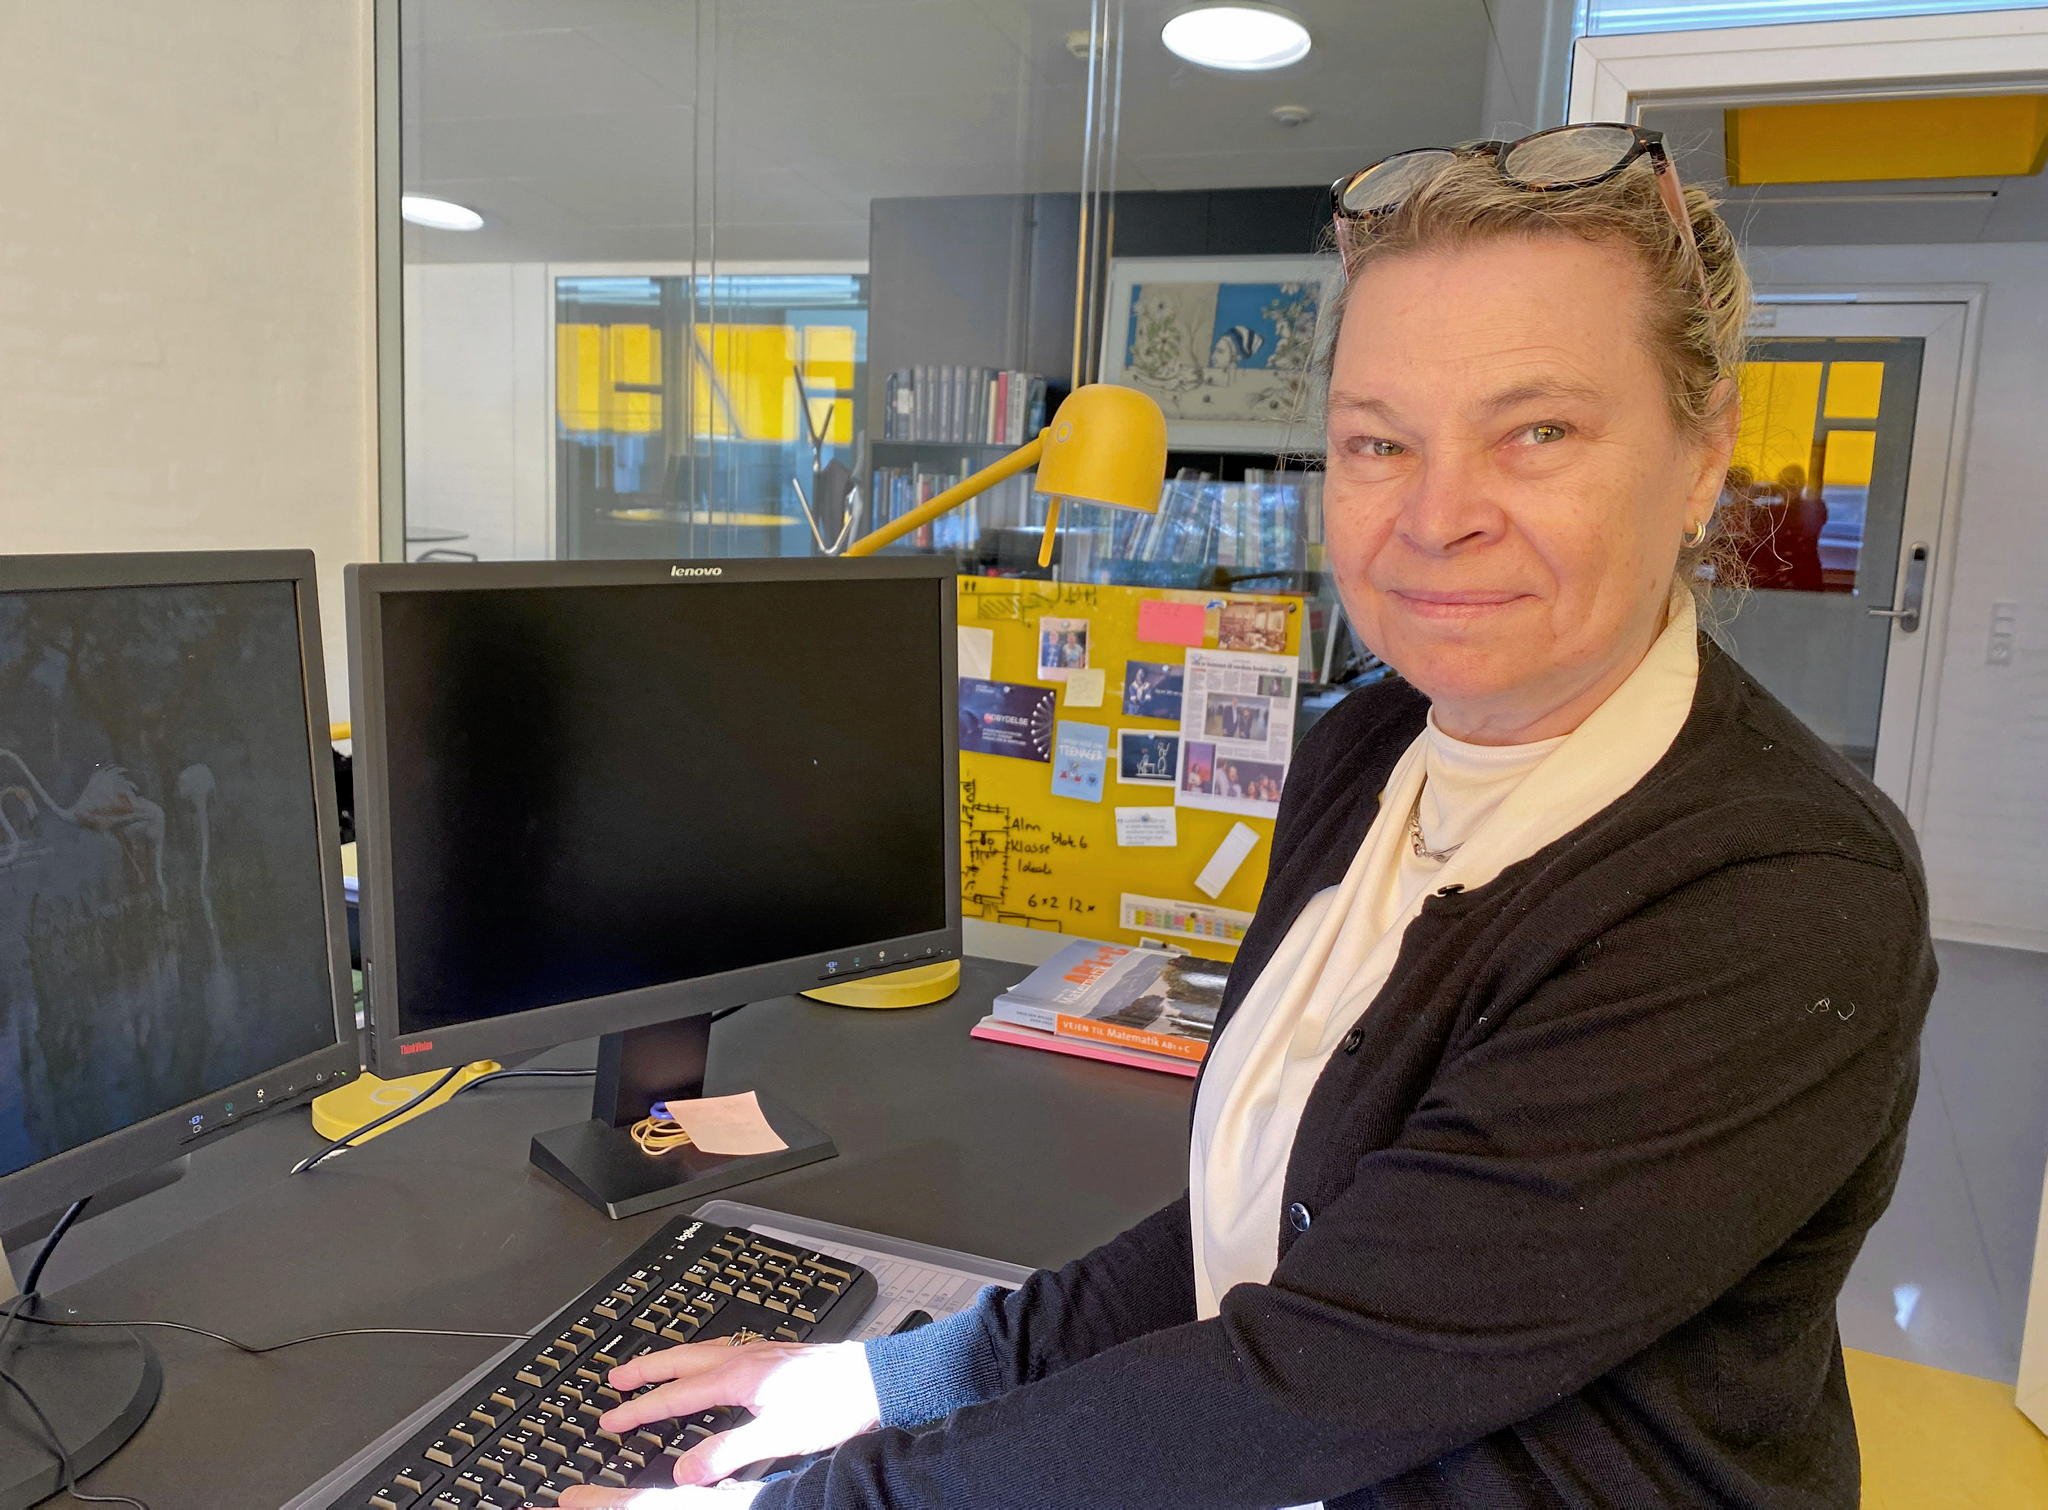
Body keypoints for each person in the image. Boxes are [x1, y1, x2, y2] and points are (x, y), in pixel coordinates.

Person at [560, 124, 1934, 1509]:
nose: (1440, 512)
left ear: (1702, 458)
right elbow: (1271, 1237)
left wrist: (796, 1502)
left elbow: (1304, 1377)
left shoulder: (1778, 898)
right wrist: (879, 1382)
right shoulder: (1368, 750)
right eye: (1378, 440)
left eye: (1538, 430)